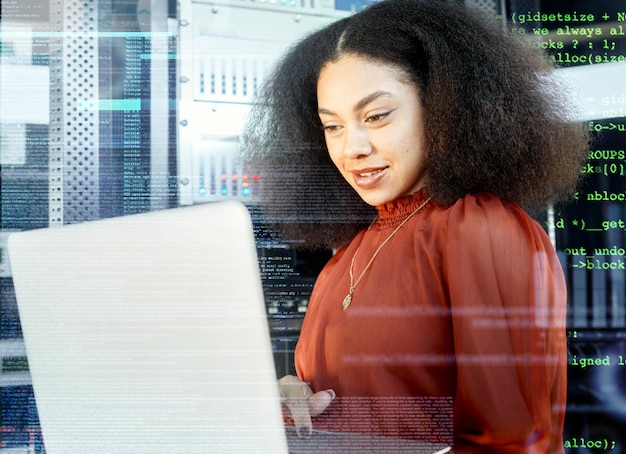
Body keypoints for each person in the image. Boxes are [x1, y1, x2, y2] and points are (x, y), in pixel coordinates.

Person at [241, 0, 589, 451]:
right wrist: (292, 406)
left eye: (376, 116)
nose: (353, 148)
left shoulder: (481, 228)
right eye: (332, 127)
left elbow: (514, 443)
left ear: (445, 109)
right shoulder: (345, 256)